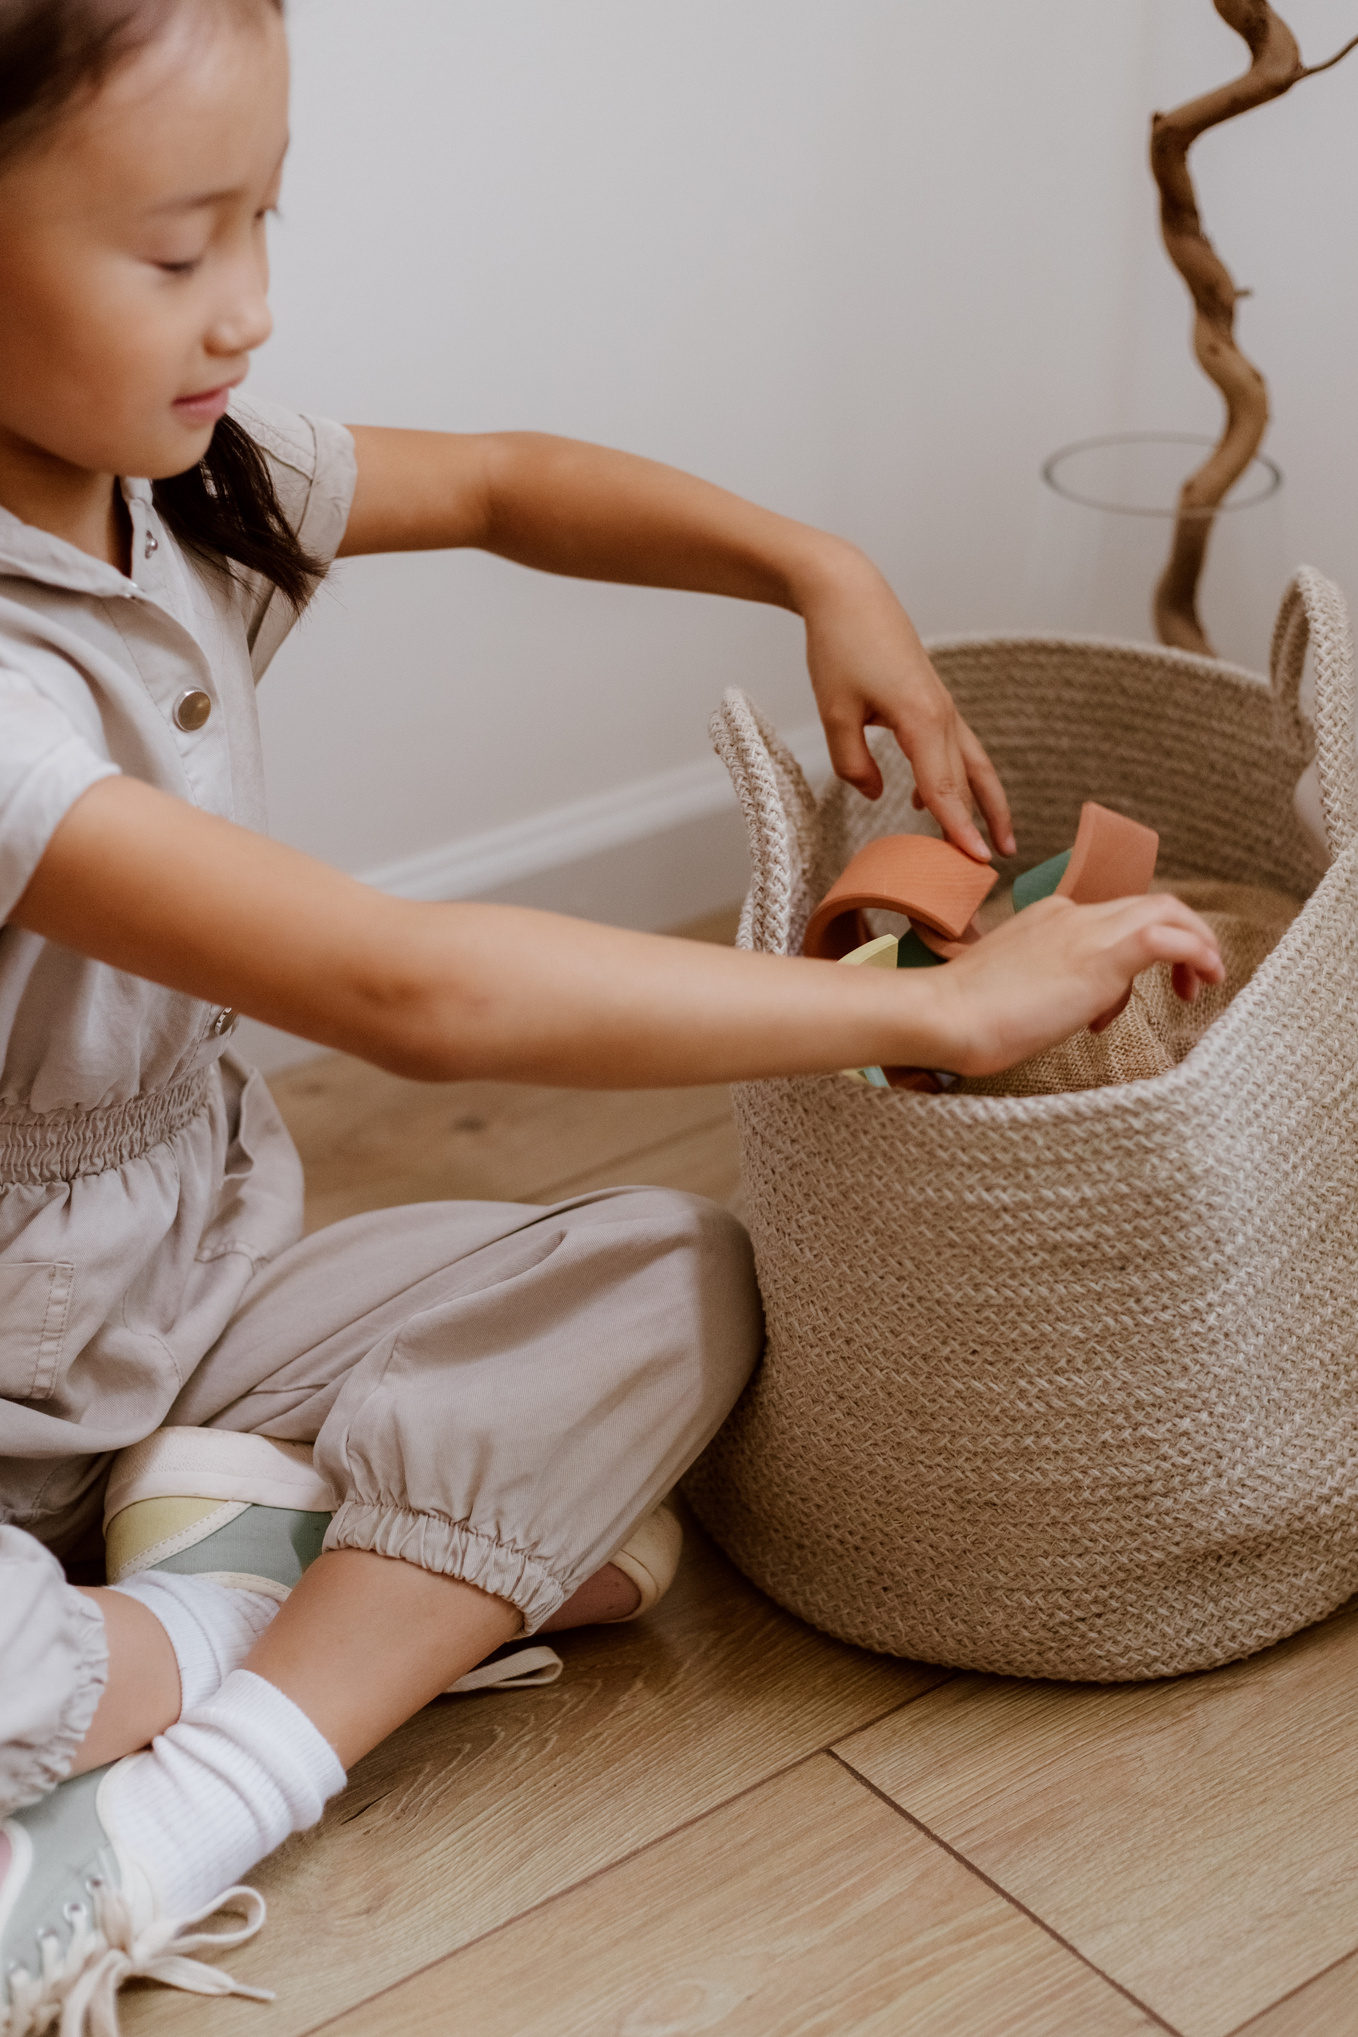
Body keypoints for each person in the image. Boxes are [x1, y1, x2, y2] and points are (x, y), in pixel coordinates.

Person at [0, 1, 1225, 2027]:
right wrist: (935, 1013)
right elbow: (408, 988)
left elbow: (500, 483)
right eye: (175, 250)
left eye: (264, 222)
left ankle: (186, 1710)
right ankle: (243, 1654)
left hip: (186, 1285)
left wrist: (808, 561)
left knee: (672, 1268)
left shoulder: (179, 479)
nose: (253, 309)